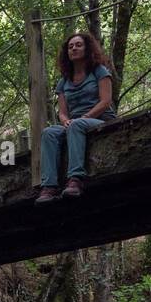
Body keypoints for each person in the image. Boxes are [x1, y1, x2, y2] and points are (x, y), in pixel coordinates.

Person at [35, 32, 116, 204]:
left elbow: (106, 101)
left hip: (101, 119)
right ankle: (49, 186)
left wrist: (85, 116)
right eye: (70, 47)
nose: (74, 49)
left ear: (87, 48)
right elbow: (62, 112)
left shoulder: (99, 71)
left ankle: (75, 179)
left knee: (76, 124)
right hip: (76, 123)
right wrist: (65, 120)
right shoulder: (64, 82)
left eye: (78, 45)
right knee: (49, 132)